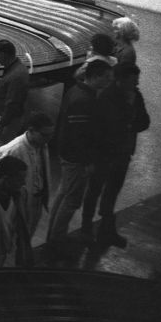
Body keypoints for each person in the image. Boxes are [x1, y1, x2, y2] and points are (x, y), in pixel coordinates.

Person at [45, 59, 113, 249]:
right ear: (96, 77)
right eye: (106, 78)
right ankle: (57, 238)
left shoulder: (76, 90)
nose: (108, 82)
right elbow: (80, 136)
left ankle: (53, 232)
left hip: (67, 152)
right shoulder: (84, 100)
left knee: (63, 192)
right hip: (75, 158)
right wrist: (87, 162)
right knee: (72, 199)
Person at [82, 63, 149, 249]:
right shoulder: (106, 98)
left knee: (111, 192)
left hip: (122, 153)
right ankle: (86, 230)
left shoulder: (135, 96)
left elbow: (145, 121)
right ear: (121, 80)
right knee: (94, 191)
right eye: (133, 80)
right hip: (104, 155)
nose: (137, 83)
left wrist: (128, 123)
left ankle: (106, 231)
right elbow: (102, 129)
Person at [0, 112, 54, 240]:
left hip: (36, 201)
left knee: (25, 238)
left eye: (50, 134)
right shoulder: (14, 149)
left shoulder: (42, 145)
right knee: (11, 240)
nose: (49, 138)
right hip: (17, 203)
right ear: (31, 130)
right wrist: (1, 199)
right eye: (45, 135)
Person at [0, 39, 29, 147]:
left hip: (7, 121)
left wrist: (0, 125)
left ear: (3, 54)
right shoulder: (14, 68)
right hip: (7, 117)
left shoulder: (16, 76)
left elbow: (13, 104)